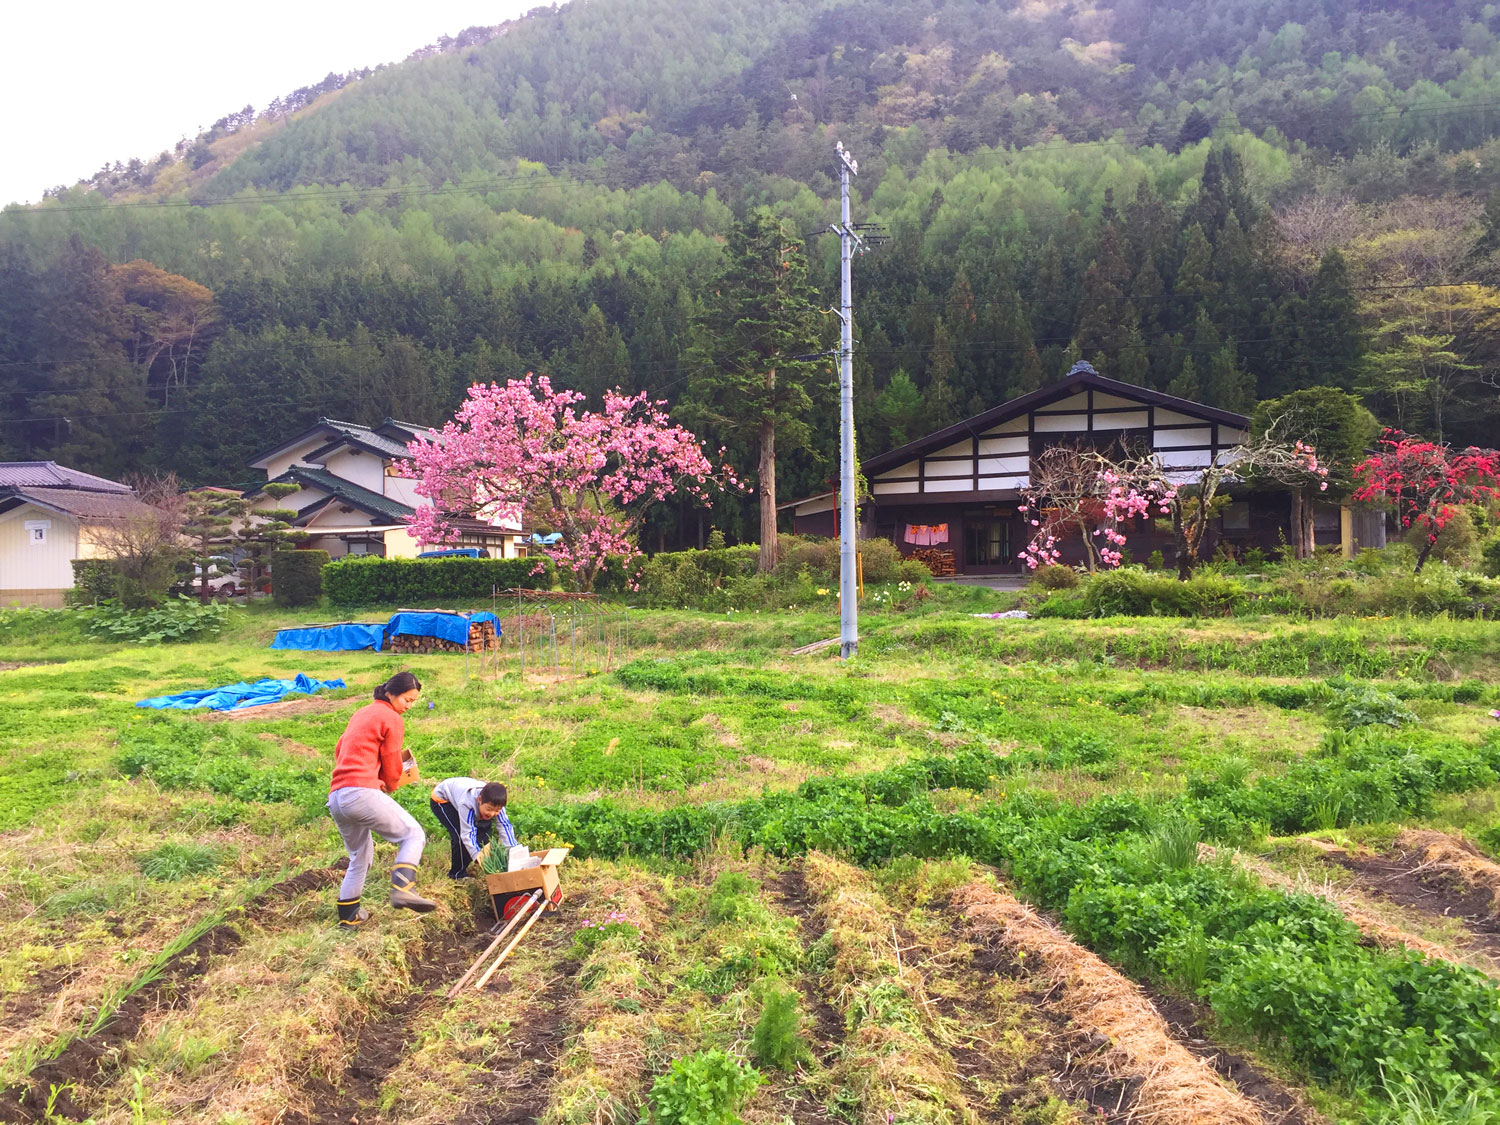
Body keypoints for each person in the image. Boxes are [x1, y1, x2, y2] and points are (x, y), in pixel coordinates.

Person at [327, 671, 435, 927]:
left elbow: (340, 749)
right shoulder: (391, 718)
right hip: (360, 793)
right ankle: (403, 889)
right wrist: (392, 783)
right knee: (413, 835)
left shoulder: (361, 713)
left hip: (337, 796)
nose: (408, 706)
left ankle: (349, 916)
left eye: (413, 702)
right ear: (391, 694)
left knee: (360, 856)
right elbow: (392, 762)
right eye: (407, 700)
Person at [429, 778, 518, 878]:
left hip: (461, 795)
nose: (493, 813)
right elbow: (467, 833)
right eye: (489, 809)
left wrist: (513, 851)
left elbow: (504, 826)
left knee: (484, 834)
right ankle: (457, 874)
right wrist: (476, 855)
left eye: (497, 810)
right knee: (459, 836)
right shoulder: (467, 803)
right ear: (479, 800)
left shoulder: (496, 803)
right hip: (442, 800)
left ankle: (470, 862)